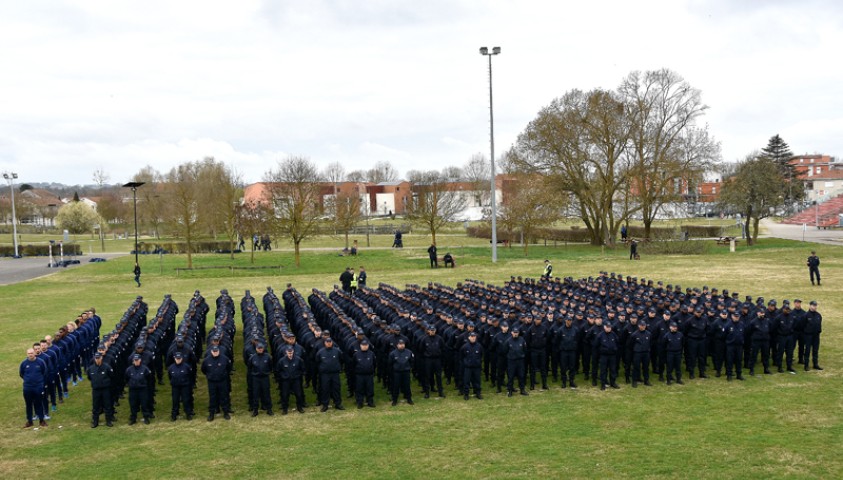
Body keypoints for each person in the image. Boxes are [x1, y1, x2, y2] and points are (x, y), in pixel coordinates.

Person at [201, 345, 231, 421]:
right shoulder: (207, 360)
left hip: (222, 381)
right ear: (211, 352)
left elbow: (228, 368)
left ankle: (225, 412)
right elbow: (203, 370)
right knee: (212, 397)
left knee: (223, 397)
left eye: (216, 351)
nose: (215, 353)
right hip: (212, 382)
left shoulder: (224, 359)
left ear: (219, 351)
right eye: (214, 352)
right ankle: (211, 413)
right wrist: (210, 376)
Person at [20, 347, 48, 428]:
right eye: (29, 353)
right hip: (28, 387)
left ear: (35, 353)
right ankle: (29, 421)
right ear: (27, 354)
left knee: (39, 403)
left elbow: (44, 373)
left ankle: (41, 420)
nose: (30, 355)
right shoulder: (24, 363)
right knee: (28, 404)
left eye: (32, 353)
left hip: (38, 387)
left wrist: (39, 382)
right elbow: (21, 374)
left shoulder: (40, 362)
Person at [316, 337, 345, 412]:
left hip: (335, 373)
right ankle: (325, 405)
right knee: (325, 389)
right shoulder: (320, 352)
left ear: (332, 342)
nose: (329, 343)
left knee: (336, 389)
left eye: (330, 342)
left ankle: (338, 404)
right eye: (327, 342)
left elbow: (342, 360)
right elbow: (317, 362)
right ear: (325, 343)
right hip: (325, 374)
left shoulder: (337, 351)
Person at [276, 346, 306, 414]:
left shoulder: (298, 360)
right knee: (285, 395)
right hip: (286, 381)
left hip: (296, 380)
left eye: (291, 352)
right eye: (289, 352)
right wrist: (283, 376)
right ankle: (285, 409)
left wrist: (298, 375)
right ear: (286, 352)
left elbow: (303, 369)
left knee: (298, 394)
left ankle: (300, 407)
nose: (290, 354)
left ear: (293, 352)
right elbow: (278, 371)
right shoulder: (281, 361)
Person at [87, 352, 114, 428]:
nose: (97, 360)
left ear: (101, 358)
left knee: (107, 405)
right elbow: (89, 377)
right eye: (96, 358)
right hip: (96, 390)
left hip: (105, 389)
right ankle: (95, 421)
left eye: (98, 358)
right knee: (95, 406)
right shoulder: (91, 368)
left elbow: (111, 376)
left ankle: (108, 421)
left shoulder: (107, 367)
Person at [125, 353, 153, 424]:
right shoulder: (129, 369)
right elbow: (126, 378)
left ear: (140, 360)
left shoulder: (145, 369)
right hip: (133, 390)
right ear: (133, 361)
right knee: (133, 404)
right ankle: (133, 418)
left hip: (142, 389)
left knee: (144, 404)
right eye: (135, 360)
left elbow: (149, 378)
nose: (136, 361)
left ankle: (146, 417)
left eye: (137, 360)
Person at [248, 343, 274, 416]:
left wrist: (267, 372)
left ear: (263, 348)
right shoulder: (252, 358)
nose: (260, 349)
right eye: (259, 348)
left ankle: (269, 409)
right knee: (255, 394)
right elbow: (250, 368)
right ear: (256, 349)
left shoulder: (268, 357)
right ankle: (255, 410)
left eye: (261, 348)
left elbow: (270, 366)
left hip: (265, 378)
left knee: (266, 394)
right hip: (256, 378)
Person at [168, 352, 194, 421]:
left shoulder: (187, 366)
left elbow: (190, 376)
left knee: (186, 401)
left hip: (185, 386)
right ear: (174, 359)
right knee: (175, 401)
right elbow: (170, 377)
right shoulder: (171, 367)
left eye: (179, 358)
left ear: (182, 358)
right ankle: (174, 415)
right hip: (175, 387)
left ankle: (188, 414)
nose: (178, 360)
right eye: (177, 358)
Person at [388, 339, 414, 406]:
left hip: (406, 372)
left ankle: (409, 399)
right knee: (396, 386)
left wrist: (409, 368)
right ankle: (394, 400)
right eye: (400, 344)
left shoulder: (409, 352)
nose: (401, 345)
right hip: (397, 372)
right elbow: (390, 364)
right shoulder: (393, 353)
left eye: (403, 344)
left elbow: (412, 361)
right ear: (397, 345)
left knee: (407, 386)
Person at [352, 339, 376, 408]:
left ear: (368, 346)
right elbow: (353, 364)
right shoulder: (356, 354)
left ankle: (370, 402)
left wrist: (372, 371)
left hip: (369, 375)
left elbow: (374, 364)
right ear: (360, 346)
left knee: (370, 389)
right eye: (363, 345)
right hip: (359, 375)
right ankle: (360, 402)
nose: (364, 347)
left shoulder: (371, 354)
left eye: (366, 345)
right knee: (359, 389)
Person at [799, 300, 823, 371]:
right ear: (810, 306)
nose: (814, 307)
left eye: (815, 305)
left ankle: (815, 364)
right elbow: (802, 326)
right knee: (807, 350)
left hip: (816, 335)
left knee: (815, 350)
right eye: (813, 305)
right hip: (808, 335)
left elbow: (819, 324)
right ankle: (806, 365)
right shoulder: (805, 315)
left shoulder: (818, 315)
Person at [461, 332, 483, 400]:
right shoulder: (464, 346)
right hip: (468, 367)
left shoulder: (479, 346)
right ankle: (466, 394)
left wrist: (478, 362)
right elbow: (461, 356)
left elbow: (481, 355)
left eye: (474, 336)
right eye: (472, 336)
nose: (473, 338)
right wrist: (466, 363)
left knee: (477, 380)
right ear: (469, 337)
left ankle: (478, 393)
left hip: (476, 367)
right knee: (466, 381)